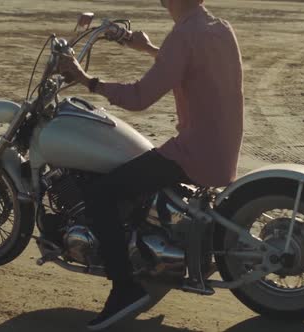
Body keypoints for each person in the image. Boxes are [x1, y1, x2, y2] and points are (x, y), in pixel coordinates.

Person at [58, 0, 244, 330]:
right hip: (223, 148)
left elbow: (140, 97)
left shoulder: (183, 36)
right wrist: (147, 48)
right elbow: (190, 66)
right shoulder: (219, 29)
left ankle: (125, 289)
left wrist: (87, 80)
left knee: (101, 194)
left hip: (194, 152)